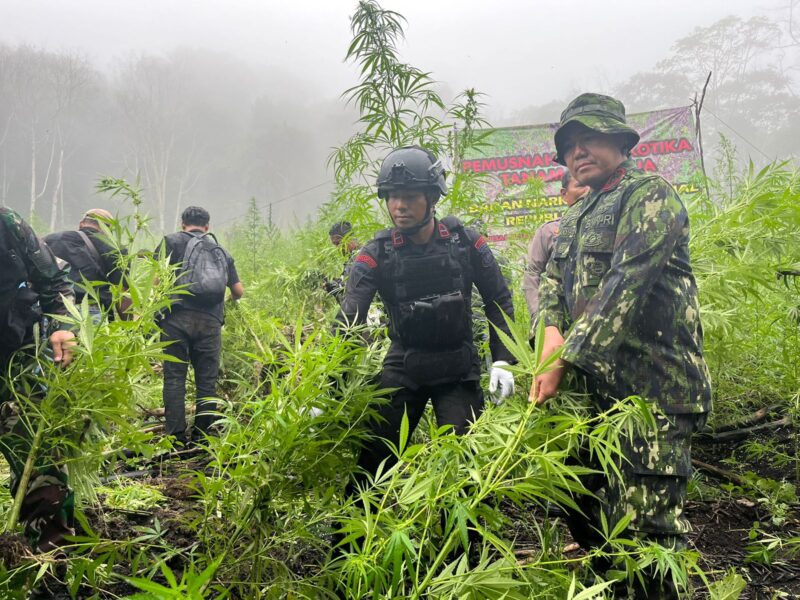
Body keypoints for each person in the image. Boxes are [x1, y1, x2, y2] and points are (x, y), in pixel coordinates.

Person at [530, 93, 712, 599]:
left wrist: (565, 358)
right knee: (590, 521)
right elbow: (550, 282)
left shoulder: (649, 195)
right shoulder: (575, 213)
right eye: (569, 145)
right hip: (596, 401)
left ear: (619, 141)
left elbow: (624, 284)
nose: (578, 151)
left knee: (645, 539)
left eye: (589, 138)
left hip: (653, 396)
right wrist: (548, 331)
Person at [336, 146, 516, 493]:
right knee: (374, 463)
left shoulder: (466, 242)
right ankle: (351, 544)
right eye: (391, 197)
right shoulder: (377, 252)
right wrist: (327, 387)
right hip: (404, 364)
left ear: (432, 197)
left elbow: (499, 300)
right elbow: (350, 314)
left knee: (465, 468)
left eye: (409, 196)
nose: (398, 206)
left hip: (458, 366)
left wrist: (504, 359)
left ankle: (466, 547)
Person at [0, 207, 76, 552]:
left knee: (38, 455)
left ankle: (49, 560)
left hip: (14, 363)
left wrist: (63, 325)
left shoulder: (7, 223)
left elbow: (54, 281)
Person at [156, 206, 244, 445]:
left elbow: (157, 282)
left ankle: (174, 437)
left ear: (182, 223)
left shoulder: (171, 242)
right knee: (206, 380)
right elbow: (238, 292)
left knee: (174, 377)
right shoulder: (220, 251)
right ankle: (202, 437)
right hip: (210, 324)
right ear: (207, 227)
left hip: (175, 320)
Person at [522, 171, 588, 335]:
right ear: (564, 194)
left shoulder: (609, 226)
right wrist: (542, 321)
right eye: (580, 185)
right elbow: (533, 274)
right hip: (560, 327)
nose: (588, 190)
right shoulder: (550, 231)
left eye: (591, 185)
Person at [44, 208, 128, 321]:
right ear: (108, 229)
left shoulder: (49, 240)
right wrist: (129, 327)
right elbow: (123, 293)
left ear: (81, 224)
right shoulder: (115, 250)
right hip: (92, 312)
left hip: (54, 310)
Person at [324, 221, 359, 300]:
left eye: (338, 243)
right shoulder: (351, 259)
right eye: (335, 245)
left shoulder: (360, 258)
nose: (337, 248)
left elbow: (357, 297)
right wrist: (336, 285)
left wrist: (338, 290)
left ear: (349, 238)